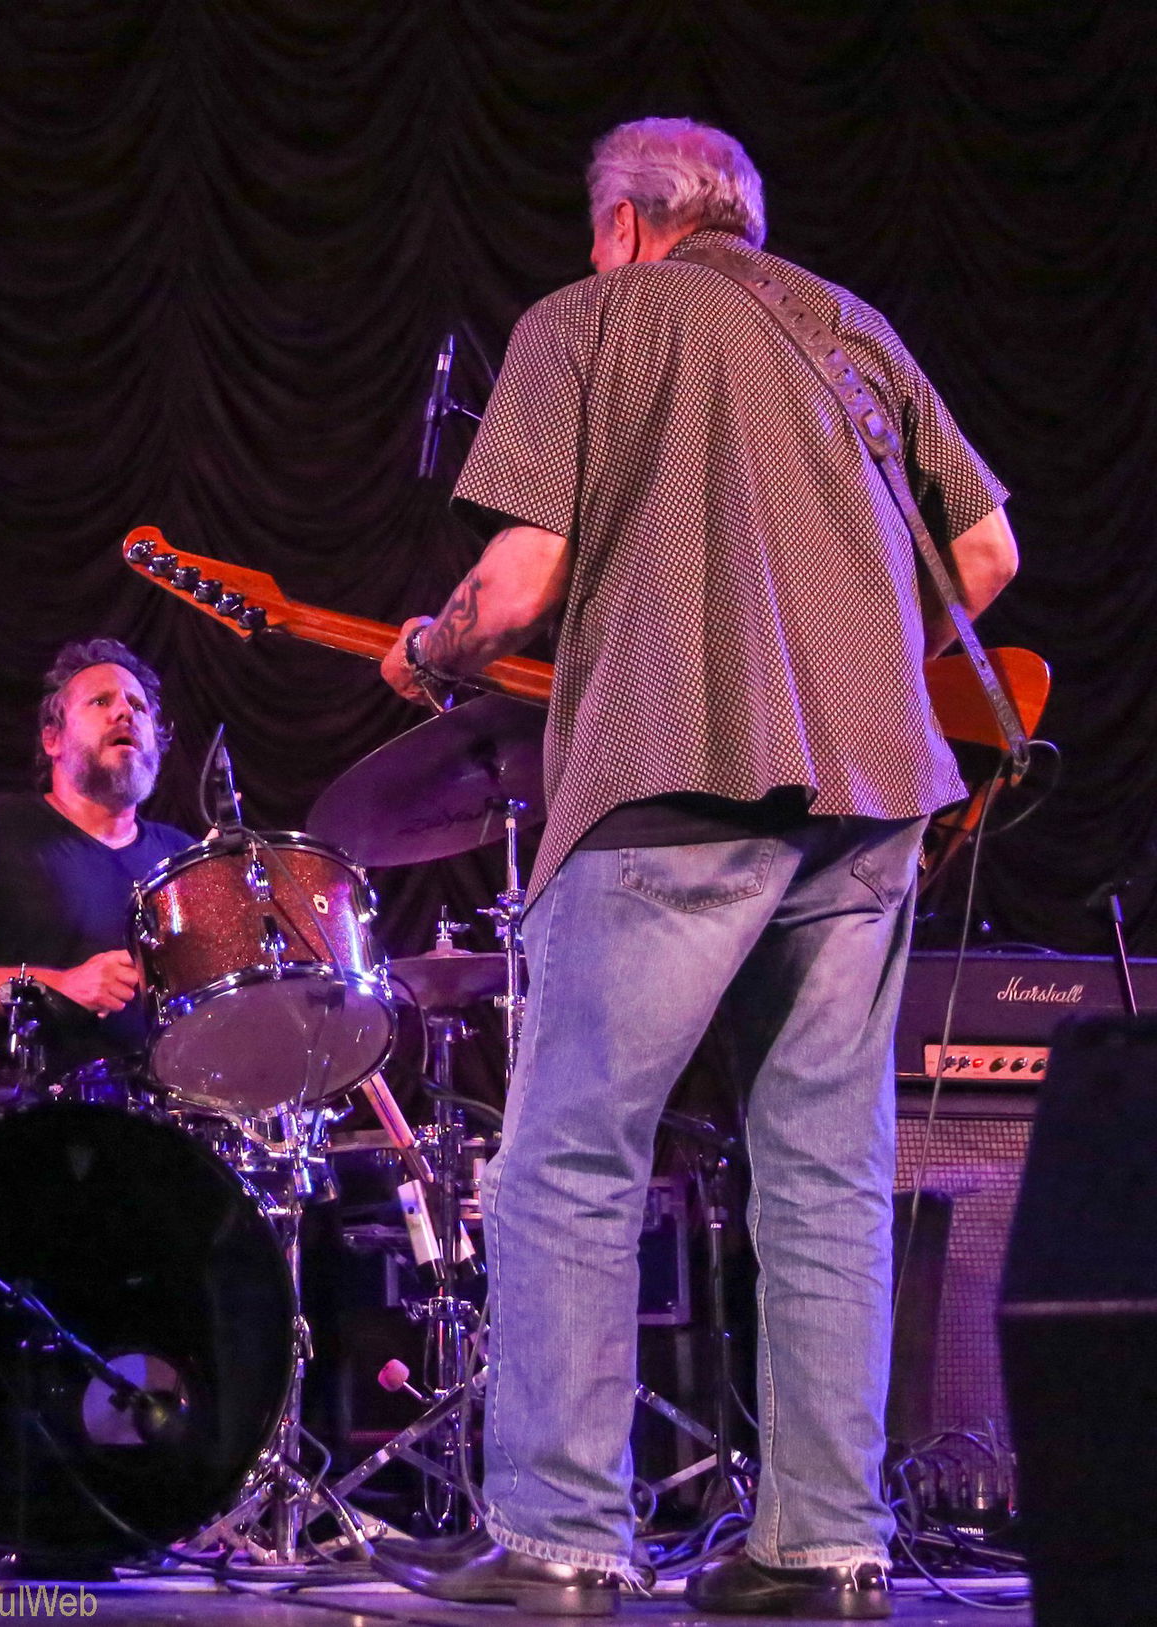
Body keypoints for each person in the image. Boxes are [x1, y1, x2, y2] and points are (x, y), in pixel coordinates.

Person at [375, 117, 1017, 1618]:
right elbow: (986, 554)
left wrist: (431, 650)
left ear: (620, 224)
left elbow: (518, 585)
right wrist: (857, 648)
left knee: (570, 1157)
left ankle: (560, 1541)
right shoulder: (852, 327)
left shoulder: (586, 321)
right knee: (827, 1174)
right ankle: (828, 1547)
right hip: (875, 797)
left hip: (674, 773)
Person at [0, 638, 192, 1068]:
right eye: (101, 701)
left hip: (155, 1103)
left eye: (138, 706)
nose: (125, 712)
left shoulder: (184, 858)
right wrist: (57, 985)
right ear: (53, 739)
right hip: (14, 1100)